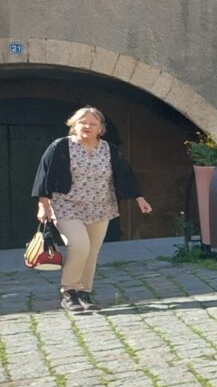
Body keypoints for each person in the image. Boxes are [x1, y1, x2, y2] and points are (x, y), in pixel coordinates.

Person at [32, 107, 152, 313]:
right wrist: (43, 204)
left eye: (93, 124)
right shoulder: (60, 147)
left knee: (92, 252)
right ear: (74, 125)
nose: (87, 126)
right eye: (83, 122)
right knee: (79, 246)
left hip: (100, 207)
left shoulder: (109, 149)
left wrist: (138, 197)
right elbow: (45, 175)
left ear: (100, 129)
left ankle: (84, 292)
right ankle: (68, 291)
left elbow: (124, 174)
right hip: (66, 205)